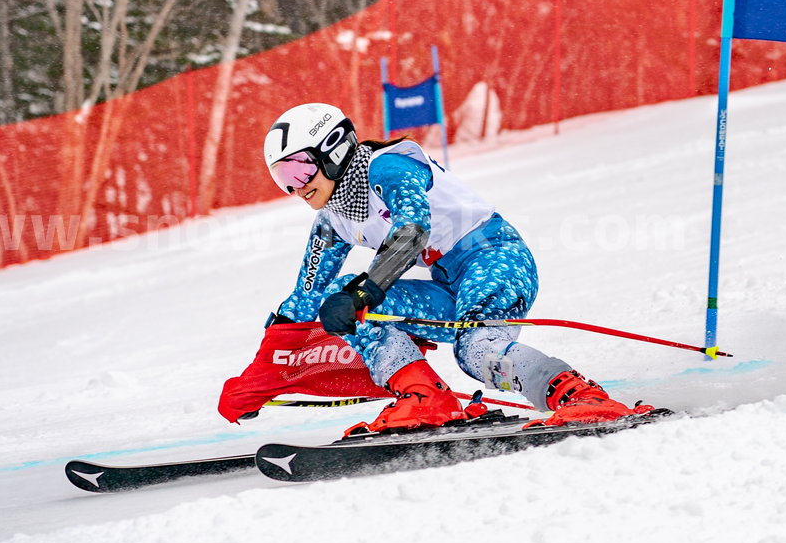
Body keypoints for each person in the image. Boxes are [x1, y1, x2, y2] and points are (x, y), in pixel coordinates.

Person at [263, 101, 654, 433]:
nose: (296, 188)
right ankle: (425, 398)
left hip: (493, 255)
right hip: (446, 282)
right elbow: (307, 295)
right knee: (345, 298)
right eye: (284, 180)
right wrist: (262, 374)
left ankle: (580, 396)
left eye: (299, 171)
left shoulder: (388, 168)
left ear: (333, 149)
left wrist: (364, 291)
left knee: (474, 349)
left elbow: (412, 232)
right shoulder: (333, 219)